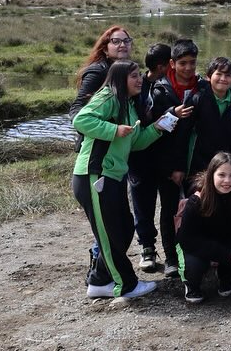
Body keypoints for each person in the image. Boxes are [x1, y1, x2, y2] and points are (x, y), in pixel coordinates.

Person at [72, 59, 170, 299]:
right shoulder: (108, 97)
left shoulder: (127, 104)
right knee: (108, 233)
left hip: (113, 176)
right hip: (94, 175)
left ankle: (100, 280)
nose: (139, 80)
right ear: (119, 79)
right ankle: (124, 285)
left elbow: (134, 142)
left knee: (125, 229)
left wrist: (157, 128)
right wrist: (113, 130)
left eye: (139, 75)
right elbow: (81, 120)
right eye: (134, 76)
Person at [146, 39, 204, 276]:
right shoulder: (159, 90)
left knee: (197, 209)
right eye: (183, 63)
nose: (188, 68)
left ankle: (193, 253)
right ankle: (170, 257)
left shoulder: (202, 87)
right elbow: (153, 128)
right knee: (170, 209)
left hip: (196, 163)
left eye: (192, 63)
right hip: (167, 164)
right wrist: (171, 113)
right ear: (172, 63)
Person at [176, 152, 231, 303]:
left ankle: (224, 275)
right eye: (221, 175)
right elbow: (187, 240)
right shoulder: (196, 200)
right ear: (211, 174)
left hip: (223, 238)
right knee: (195, 266)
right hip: (194, 244)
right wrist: (221, 253)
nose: (227, 180)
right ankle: (191, 284)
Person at [129, 43, 172, 273]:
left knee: (170, 205)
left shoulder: (174, 84)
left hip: (166, 155)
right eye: (171, 63)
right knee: (143, 203)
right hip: (140, 155)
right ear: (161, 66)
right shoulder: (138, 87)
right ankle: (147, 248)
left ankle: (173, 251)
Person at [173, 57, 231, 189]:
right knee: (198, 203)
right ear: (208, 77)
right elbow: (183, 134)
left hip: (225, 168)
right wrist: (178, 166)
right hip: (198, 166)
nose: (223, 79)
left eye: (228, 75)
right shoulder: (197, 99)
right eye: (219, 74)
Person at [69, 25, 134, 147]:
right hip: (97, 146)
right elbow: (77, 108)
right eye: (116, 41)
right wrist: (92, 129)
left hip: (120, 144)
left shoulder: (129, 70)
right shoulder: (98, 71)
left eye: (126, 41)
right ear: (105, 50)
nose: (123, 45)